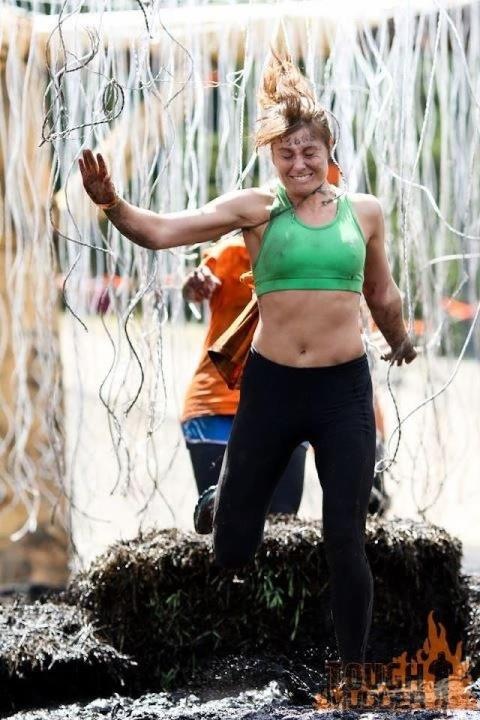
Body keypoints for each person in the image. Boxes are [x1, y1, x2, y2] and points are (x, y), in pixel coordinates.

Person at [78, 52, 417, 685]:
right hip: (272, 389)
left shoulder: (364, 212)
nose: (299, 164)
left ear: (329, 151)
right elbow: (162, 232)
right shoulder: (257, 209)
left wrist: (400, 340)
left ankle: (354, 674)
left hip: (343, 391)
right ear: (272, 157)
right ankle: (223, 502)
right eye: (286, 154)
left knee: (345, 537)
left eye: (309, 151)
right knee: (234, 545)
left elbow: (382, 292)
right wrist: (112, 204)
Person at [181, 237, 306, 531]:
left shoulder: (317, 253)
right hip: (217, 403)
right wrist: (194, 286)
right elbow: (192, 289)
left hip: (286, 407)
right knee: (223, 523)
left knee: (282, 525)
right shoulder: (231, 252)